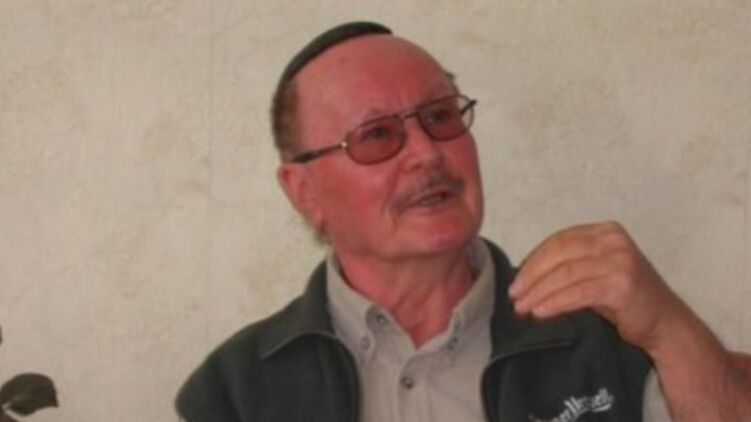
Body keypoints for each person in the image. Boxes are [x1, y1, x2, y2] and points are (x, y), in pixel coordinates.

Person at [176, 22, 751, 422]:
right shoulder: (235, 391)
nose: (427, 153)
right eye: (376, 135)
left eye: (440, 115)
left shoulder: (601, 339)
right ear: (303, 191)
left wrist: (669, 329)